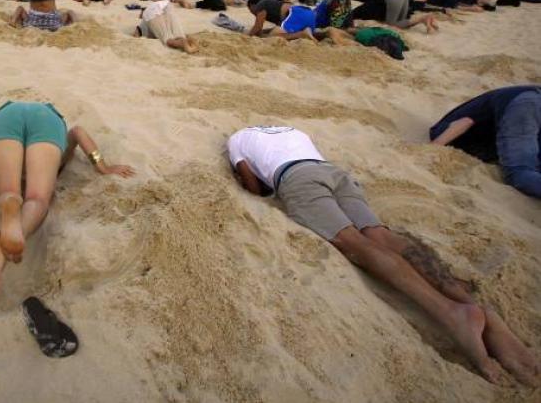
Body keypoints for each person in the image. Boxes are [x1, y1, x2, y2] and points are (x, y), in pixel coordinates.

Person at [227, 125, 539, 385]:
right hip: (335, 173)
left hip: (297, 178)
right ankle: (473, 305)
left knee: (355, 244)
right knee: (381, 236)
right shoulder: (292, 131)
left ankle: (452, 314)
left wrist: (253, 184)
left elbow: (252, 185)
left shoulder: (236, 139)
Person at [0, 101, 134, 301]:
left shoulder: (11, 117)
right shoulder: (57, 139)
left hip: (6, 116)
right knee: (38, 198)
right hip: (46, 122)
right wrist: (102, 166)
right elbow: (77, 131)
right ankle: (4, 248)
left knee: (8, 190)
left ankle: (10, 201)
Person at [430, 86, 540, 198]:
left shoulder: (439, 130)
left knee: (519, 172)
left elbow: (466, 121)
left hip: (523, 103)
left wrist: (433, 146)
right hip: (527, 101)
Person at [133, 0, 198, 53]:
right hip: (166, 5)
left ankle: (183, 43)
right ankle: (185, 40)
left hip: (152, 14)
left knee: (167, 39)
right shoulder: (144, 20)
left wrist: (136, 37)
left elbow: (137, 32)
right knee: (178, 34)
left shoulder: (144, 20)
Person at [246, 0, 317, 41]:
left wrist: (246, 37)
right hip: (308, 14)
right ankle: (322, 33)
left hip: (295, 13)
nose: (252, 13)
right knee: (285, 34)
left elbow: (257, 27)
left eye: (250, 10)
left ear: (252, 6)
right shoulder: (273, 5)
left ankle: (301, 34)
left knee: (271, 37)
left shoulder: (260, 5)